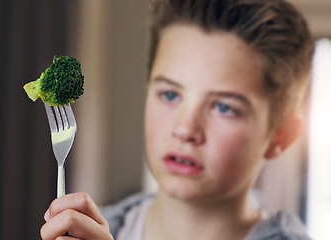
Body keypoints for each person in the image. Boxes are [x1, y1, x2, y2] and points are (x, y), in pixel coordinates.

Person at [40, 0, 314, 239]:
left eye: (224, 107)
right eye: (170, 94)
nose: (185, 129)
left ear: (281, 135)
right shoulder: (77, 232)